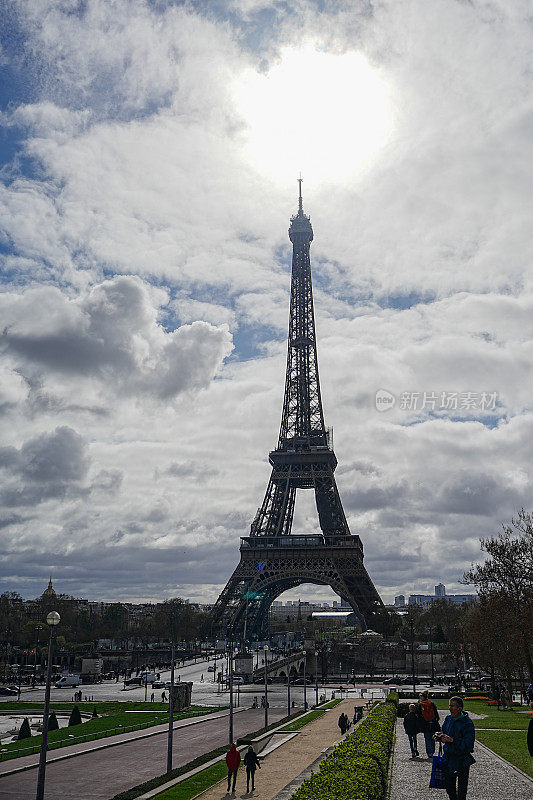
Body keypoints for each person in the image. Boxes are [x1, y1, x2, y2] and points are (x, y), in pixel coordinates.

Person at [434, 696, 475, 800]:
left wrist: (452, 740)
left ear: (459, 708)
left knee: (461, 791)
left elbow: (468, 745)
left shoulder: (467, 723)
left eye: (452, 706)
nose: (450, 708)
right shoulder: (448, 718)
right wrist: (439, 735)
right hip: (448, 757)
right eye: (449, 705)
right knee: (449, 788)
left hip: (462, 760)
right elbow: (443, 731)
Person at [416, 690, 440, 758]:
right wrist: (436, 720)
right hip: (433, 723)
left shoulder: (420, 705)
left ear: (422, 697)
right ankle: (432, 751)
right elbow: (436, 713)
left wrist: (419, 725)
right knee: (433, 738)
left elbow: (419, 716)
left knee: (427, 739)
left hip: (425, 724)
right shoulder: (431, 703)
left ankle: (429, 753)